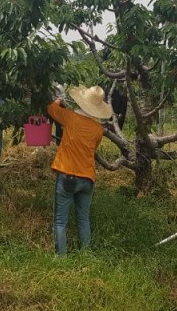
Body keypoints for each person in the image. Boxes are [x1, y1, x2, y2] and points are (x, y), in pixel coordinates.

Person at [47, 85, 111, 255]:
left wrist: (59, 98)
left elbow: (51, 109)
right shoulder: (98, 129)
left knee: (61, 221)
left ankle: (61, 258)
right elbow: (93, 147)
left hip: (68, 176)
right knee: (84, 220)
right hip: (87, 179)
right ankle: (85, 255)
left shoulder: (71, 118)